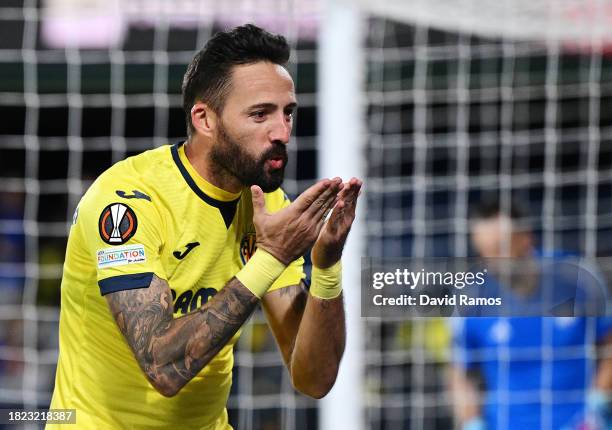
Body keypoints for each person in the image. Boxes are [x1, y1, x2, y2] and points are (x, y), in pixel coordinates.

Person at [48, 24, 362, 429]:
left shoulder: (265, 206)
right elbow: (162, 366)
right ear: (204, 119)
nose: (282, 132)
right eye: (260, 114)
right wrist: (270, 258)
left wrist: (327, 266)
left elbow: (314, 379)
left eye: (288, 113)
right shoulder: (126, 202)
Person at [450, 197, 612, 430]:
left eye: (499, 249)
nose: (492, 262)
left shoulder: (577, 278)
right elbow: (459, 370)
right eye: (484, 253)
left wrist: (596, 406)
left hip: (577, 423)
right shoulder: (472, 296)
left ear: (525, 238)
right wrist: (472, 423)